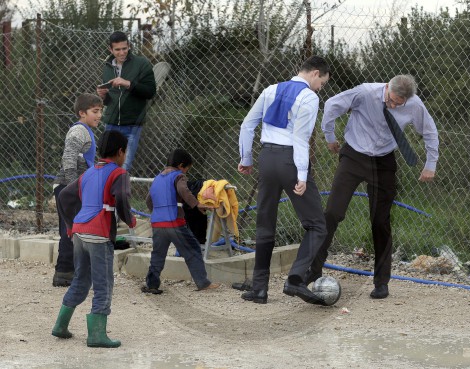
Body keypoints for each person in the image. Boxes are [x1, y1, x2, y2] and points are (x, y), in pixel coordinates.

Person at [308, 74, 439, 299]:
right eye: (391, 100)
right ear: (387, 87)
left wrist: (430, 164)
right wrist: (330, 136)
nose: (394, 106)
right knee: (332, 213)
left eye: (399, 104)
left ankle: (381, 282)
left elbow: (429, 131)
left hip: (383, 160)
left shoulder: (414, 104)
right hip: (354, 156)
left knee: (380, 221)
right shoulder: (366, 92)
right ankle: (313, 270)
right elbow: (332, 104)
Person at [238, 56, 330, 305]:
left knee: (265, 222)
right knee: (317, 225)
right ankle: (296, 279)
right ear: (315, 73)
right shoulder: (309, 97)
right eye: (322, 82)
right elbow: (301, 139)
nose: (320, 87)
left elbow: (248, 125)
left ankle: (259, 289)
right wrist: (301, 174)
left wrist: (246, 157)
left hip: (266, 158)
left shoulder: (271, 89)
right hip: (290, 161)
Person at [51, 131, 136, 348]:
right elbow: (123, 198)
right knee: (103, 285)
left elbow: (63, 196)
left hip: (79, 232)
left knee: (81, 280)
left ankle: (60, 326)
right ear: (120, 152)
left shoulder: (88, 174)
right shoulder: (119, 174)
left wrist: (71, 224)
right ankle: (96, 335)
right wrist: (130, 219)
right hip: (99, 235)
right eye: (125, 152)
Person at [142, 149, 220, 294]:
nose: (186, 173)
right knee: (193, 249)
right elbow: (183, 189)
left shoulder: (157, 178)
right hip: (175, 222)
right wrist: (196, 204)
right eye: (186, 169)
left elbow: (148, 200)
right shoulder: (179, 176)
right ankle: (202, 282)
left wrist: (158, 213)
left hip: (158, 224)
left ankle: (152, 284)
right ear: (181, 165)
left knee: (158, 254)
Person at [52, 93, 103, 287]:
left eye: (100, 111)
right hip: (68, 187)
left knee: (74, 229)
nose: (99, 115)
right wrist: (75, 187)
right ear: (82, 113)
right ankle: (64, 273)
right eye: (95, 111)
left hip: (73, 187)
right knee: (70, 229)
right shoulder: (78, 132)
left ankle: (68, 271)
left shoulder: (86, 130)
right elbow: (69, 158)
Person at [96, 31, 156, 172]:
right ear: (110, 49)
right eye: (117, 49)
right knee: (105, 168)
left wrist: (128, 83)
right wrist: (103, 96)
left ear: (129, 46)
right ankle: (105, 194)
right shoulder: (107, 66)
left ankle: (119, 193)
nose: (122, 52)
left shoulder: (142, 64)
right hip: (110, 124)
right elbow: (110, 102)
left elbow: (150, 92)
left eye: (125, 48)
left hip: (132, 126)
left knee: (123, 169)